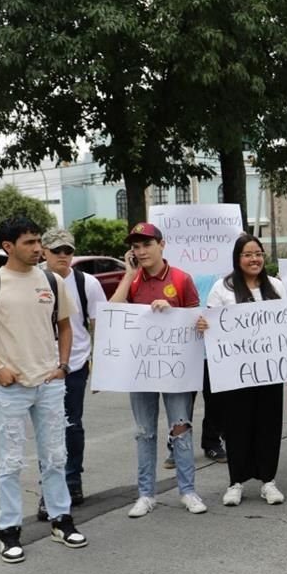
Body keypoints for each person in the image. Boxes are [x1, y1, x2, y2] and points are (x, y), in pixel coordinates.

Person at [0, 216, 87, 563]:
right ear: (8, 247)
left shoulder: (51, 281)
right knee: (10, 462)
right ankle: (9, 531)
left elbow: (64, 326)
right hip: (11, 386)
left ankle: (62, 520)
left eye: (37, 242)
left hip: (49, 383)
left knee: (56, 457)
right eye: (29, 243)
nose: (37, 249)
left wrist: (62, 366)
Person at [110, 222, 207, 518]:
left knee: (181, 429)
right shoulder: (134, 281)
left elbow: (197, 321)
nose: (141, 251)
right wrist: (128, 275)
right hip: (141, 370)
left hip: (175, 369)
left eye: (147, 245)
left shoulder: (181, 279)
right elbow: (112, 312)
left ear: (161, 245)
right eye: (136, 247)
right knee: (144, 432)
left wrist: (174, 313)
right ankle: (145, 494)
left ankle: (187, 490)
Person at [199, 234, 287, 506]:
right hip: (235, 373)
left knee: (269, 424)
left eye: (258, 253)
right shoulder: (222, 288)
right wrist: (205, 326)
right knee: (237, 425)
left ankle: (267, 481)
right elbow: (212, 323)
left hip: (270, 370)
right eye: (247, 254)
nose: (254, 259)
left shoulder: (276, 286)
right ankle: (235, 481)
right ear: (237, 259)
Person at [36, 228, 107, 520]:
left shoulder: (86, 283)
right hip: (39, 367)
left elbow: (99, 325)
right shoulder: (33, 281)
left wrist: (102, 367)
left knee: (71, 425)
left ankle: (72, 481)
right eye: (57, 251)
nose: (63, 256)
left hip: (74, 365)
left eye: (68, 251)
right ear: (44, 252)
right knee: (46, 429)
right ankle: (50, 489)